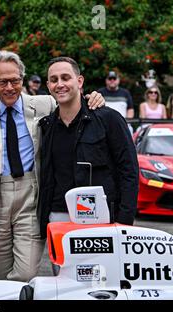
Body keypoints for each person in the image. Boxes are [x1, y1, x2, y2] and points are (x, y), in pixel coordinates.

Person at [0, 50, 105, 282]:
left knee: (25, 273)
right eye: (2, 82)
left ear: (22, 79)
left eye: (15, 80)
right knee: (0, 276)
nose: (9, 87)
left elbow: (72, 102)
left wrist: (94, 98)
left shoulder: (45, 104)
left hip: (32, 194)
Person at [38, 56, 138, 235]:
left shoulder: (109, 119)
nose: (60, 84)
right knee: (61, 265)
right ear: (48, 86)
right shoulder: (46, 126)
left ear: (79, 81)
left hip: (101, 216)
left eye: (65, 77)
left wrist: (125, 221)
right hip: (58, 216)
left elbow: (129, 171)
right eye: (54, 80)